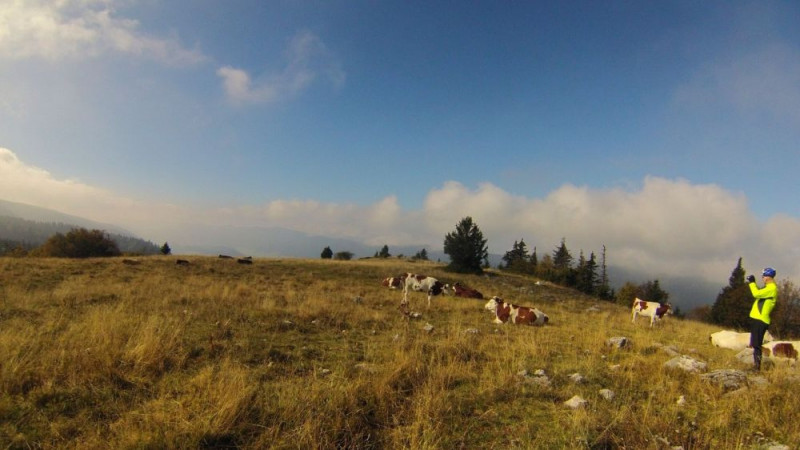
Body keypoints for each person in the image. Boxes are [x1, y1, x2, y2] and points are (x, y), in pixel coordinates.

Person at [747, 267, 778, 371]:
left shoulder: (771, 288)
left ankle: (757, 368)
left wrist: (752, 283)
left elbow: (756, 294)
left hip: (761, 320)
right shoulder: (768, 288)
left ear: (768, 277)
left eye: (763, 276)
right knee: (755, 343)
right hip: (757, 319)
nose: (762, 278)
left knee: (757, 345)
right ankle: (756, 366)